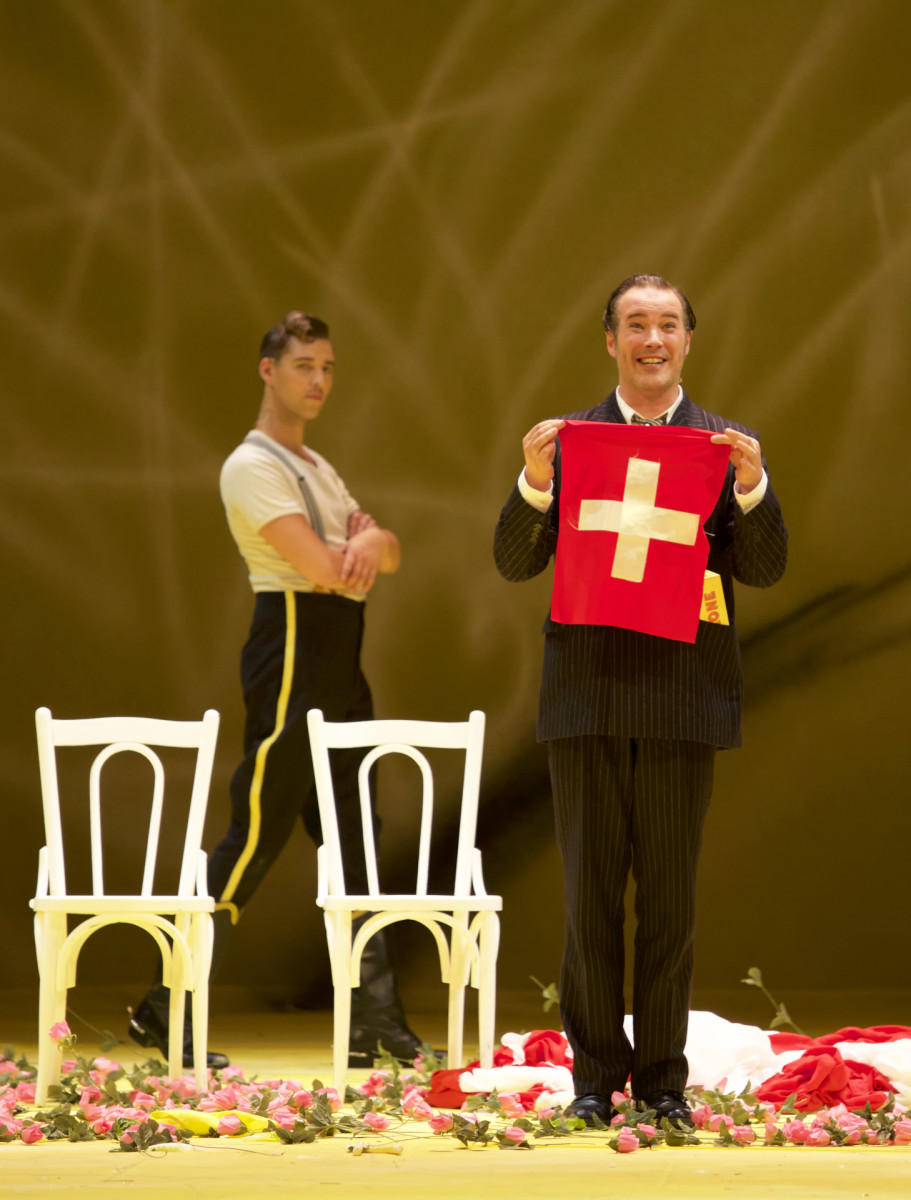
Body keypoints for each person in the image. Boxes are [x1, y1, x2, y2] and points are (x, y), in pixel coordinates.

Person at [493, 275, 788, 1126]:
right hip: (586, 695)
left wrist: (750, 489)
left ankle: (661, 1082)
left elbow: (763, 569)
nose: (651, 339)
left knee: (668, 899)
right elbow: (514, 562)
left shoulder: (722, 448)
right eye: (635, 325)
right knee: (588, 898)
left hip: (679, 699)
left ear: (687, 341)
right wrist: (535, 482)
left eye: (666, 325)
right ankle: (592, 1082)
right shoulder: (571, 444)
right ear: (610, 341)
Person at [130, 311, 423, 1069]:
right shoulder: (252, 465)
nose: (318, 380)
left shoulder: (318, 468)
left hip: (339, 655)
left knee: (356, 831)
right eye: (303, 366)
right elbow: (325, 570)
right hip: (293, 644)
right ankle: (166, 1007)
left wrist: (364, 543)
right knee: (256, 832)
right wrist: (355, 545)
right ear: (268, 370)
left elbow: (383, 555)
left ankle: (376, 1020)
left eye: (327, 367)